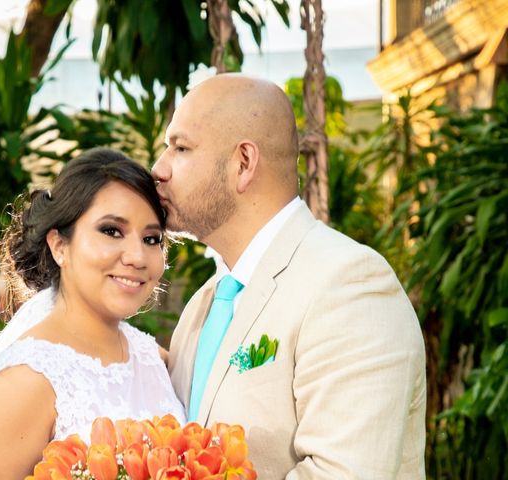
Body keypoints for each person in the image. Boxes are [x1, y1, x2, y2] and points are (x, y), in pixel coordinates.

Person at [152, 74, 427, 479]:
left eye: (181, 148)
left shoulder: (350, 287)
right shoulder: (202, 306)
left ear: (243, 163)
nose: (159, 169)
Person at [0, 148, 186, 479]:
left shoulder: (156, 360)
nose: (137, 255)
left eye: (152, 239)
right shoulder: (20, 385)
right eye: (111, 231)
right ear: (59, 245)